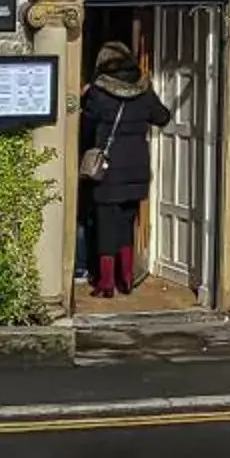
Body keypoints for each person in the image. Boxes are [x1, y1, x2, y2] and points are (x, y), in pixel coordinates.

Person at [78, 40, 173, 299]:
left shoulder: (98, 92)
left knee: (106, 225)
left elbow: (86, 128)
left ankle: (107, 282)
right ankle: (127, 278)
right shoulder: (143, 89)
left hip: (107, 169)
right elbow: (163, 117)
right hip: (136, 168)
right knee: (126, 223)